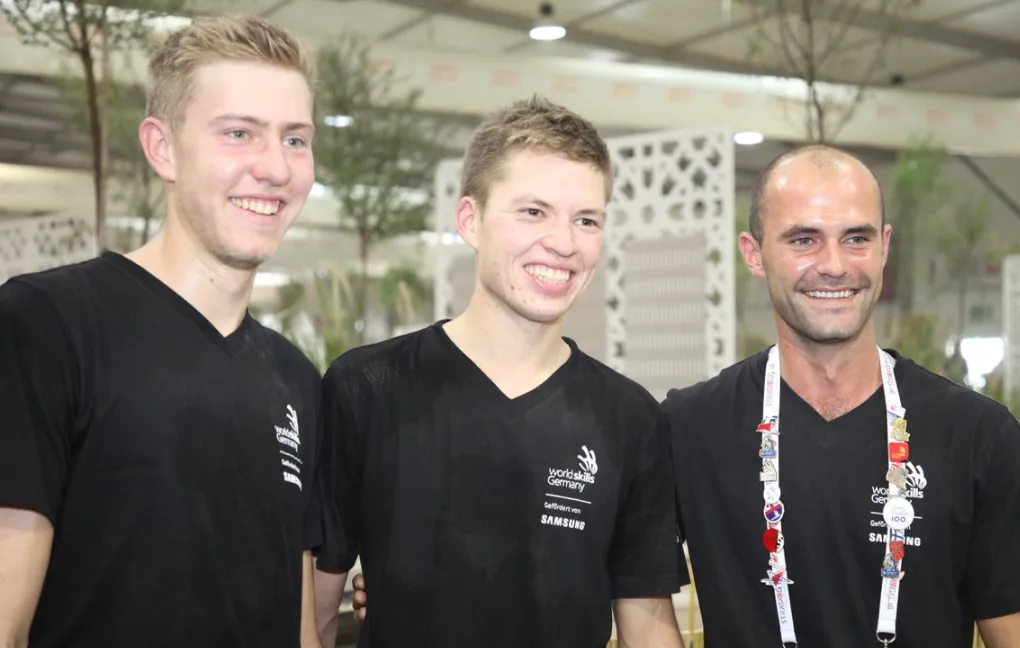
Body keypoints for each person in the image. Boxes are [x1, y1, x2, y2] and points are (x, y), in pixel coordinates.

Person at [662, 144, 1020, 647]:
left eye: (855, 238)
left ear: (884, 247)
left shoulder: (976, 434)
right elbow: (632, 596)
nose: (835, 265)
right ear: (754, 254)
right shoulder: (689, 427)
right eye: (804, 239)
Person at [311, 96, 687, 648]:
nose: (563, 243)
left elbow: (646, 621)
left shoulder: (630, 418)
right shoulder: (366, 389)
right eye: (533, 211)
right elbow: (315, 611)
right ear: (471, 220)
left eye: (586, 220)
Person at [0, 15, 325, 648]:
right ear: (162, 147)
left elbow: (299, 625)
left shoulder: (296, 381)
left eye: (295, 139)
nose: (275, 168)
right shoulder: (47, 324)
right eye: (239, 133)